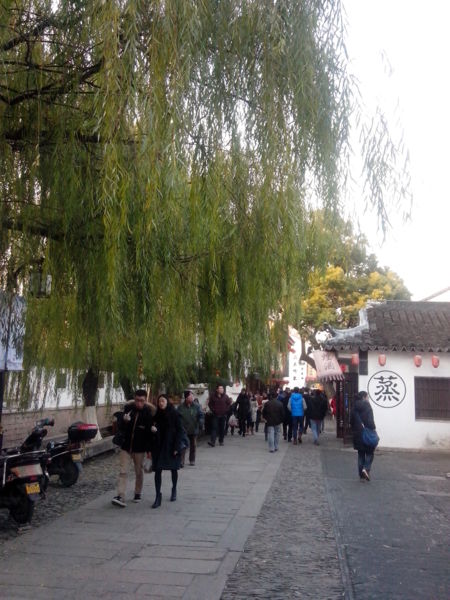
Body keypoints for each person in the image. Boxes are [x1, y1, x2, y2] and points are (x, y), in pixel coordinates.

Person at [112, 389, 155, 507]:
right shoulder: (128, 409)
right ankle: (120, 496)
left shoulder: (148, 413)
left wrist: (149, 450)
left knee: (138, 472)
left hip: (139, 448)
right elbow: (120, 428)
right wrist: (124, 421)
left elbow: (149, 434)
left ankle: (137, 492)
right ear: (134, 399)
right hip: (126, 446)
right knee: (123, 471)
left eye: (142, 401)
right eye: (137, 400)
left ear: (145, 400)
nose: (139, 403)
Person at [151, 394, 184, 508]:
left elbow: (180, 431)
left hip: (171, 446)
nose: (161, 403)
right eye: (159, 401)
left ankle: (174, 488)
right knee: (158, 470)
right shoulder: (156, 416)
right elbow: (153, 430)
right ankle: (157, 495)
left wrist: (177, 447)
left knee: (173, 469)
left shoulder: (174, 414)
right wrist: (153, 430)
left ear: (167, 402)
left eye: (163, 401)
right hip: (159, 447)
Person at [350, 391, 377, 481]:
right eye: (367, 397)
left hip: (358, 434)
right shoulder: (367, 406)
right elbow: (370, 421)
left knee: (361, 454)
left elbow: (351, 421)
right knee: (370, 453)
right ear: (364, 397)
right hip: (367, 433)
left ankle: (361, 475)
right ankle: (366, 469)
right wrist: (373, 428)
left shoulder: (354, 406)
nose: (368, 398)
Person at [177, 390, 204, 466]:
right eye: (190, 396)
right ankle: (181, 461)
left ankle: (192, 460)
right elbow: (177, 417)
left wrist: (201, 421)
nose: (192, 397)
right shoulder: (180, 407)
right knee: (183, 446)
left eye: (192, 396)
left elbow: (201, 415)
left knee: (193, 445)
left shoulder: (197, 406)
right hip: (183, 430)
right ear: (186, 398)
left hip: (193, 429)